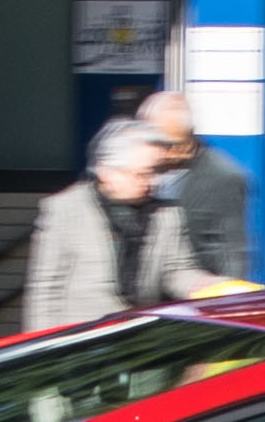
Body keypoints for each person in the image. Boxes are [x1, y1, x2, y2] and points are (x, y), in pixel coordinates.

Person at [22, 122, 207, 331]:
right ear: (106, 172)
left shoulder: (167, 214)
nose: (152, 182)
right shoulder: (65, 210)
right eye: (143, 174)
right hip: (77, 341)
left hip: (137, 340)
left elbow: (177, 270)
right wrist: (40, 347)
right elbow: (45, 288)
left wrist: (203, 286)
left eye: (157, 172)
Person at [138, 91, 253, 287]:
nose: (168, 152)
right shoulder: (136, 167)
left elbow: (231, 250)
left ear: (191, 132)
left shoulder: (222, 176)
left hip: (190, 290)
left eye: (175, 144)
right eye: (160, 143)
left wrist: (225, 296)